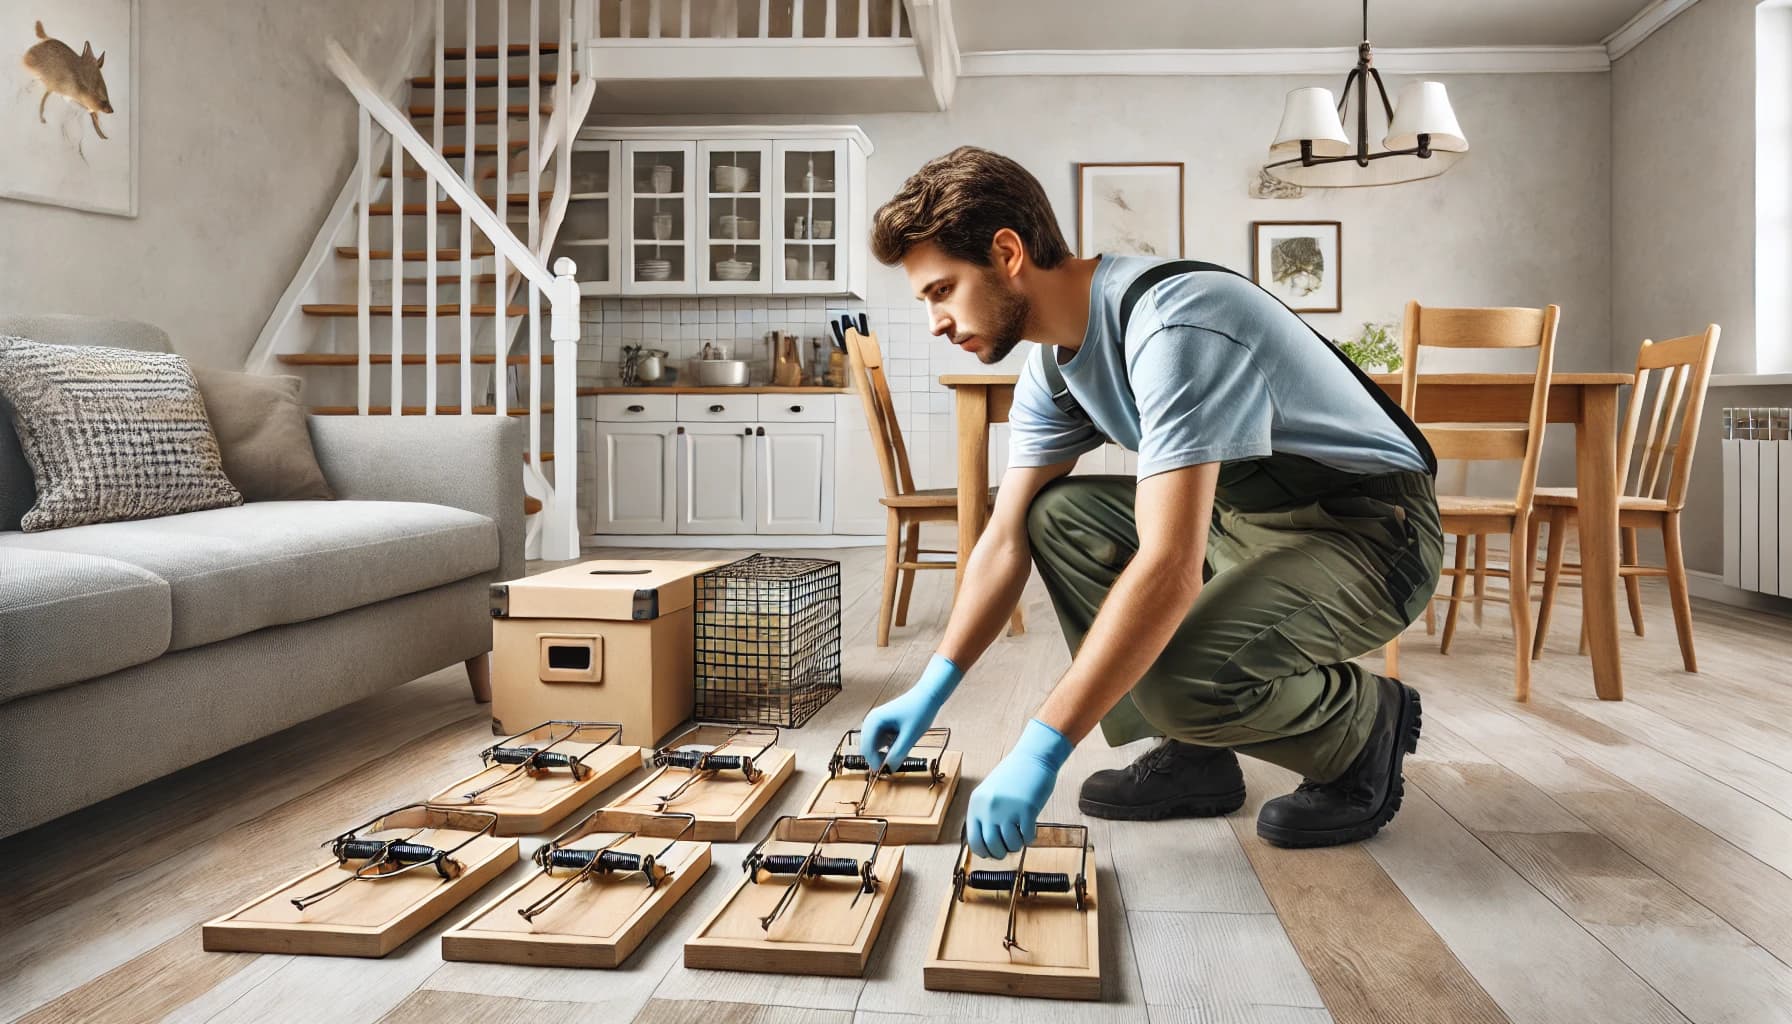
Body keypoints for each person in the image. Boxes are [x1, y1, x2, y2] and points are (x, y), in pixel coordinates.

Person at [857, 146, 1444, 858]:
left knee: (1178, 678)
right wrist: (932, 685)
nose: (936, 323)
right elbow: (1005, 536)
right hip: (1244, 525)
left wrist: (1040, 747)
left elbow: (1169, 566)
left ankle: (1362, 731)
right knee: (1056, 516)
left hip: (1371, 538)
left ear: (1006, 253)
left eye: (941, 290)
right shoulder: (1054, 364)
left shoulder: (1175, 327)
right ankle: (1197, 753)